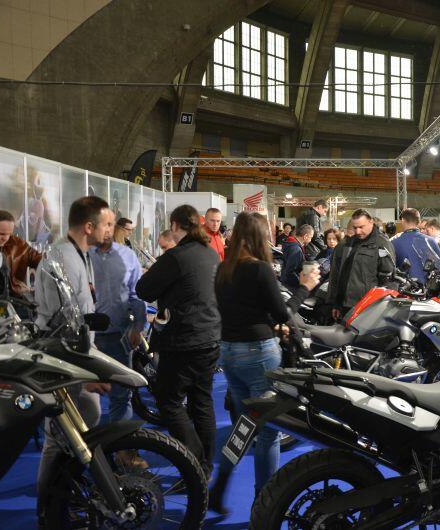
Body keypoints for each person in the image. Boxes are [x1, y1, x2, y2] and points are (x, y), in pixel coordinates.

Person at [208, 212, 319, 513]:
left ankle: (221, 485)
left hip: (230, 352)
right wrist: (305, 287)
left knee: (245, 423)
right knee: (269, 431)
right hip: (258, 353)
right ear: (260, 236)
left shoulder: (224, 268)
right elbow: (284, 313)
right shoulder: (259, 269)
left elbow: (246, 309)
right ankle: (266, 503)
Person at [35, 197, 114, 513]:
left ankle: (62, 499)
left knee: (78, 431)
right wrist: (83, 373)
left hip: (73, 360)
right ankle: (48, 511)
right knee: (58, 440)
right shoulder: (63, 258)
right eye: (107, 224)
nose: (110, 230)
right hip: (65, 364)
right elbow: (63, 325)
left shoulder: (77, 254)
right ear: (89, 226)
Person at [136, 204, 221, 477]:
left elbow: (143, 289)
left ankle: (195, 465)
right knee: (202, 401)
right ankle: (205, 465)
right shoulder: (210, 253)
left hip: (183, 340)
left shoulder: (176, 257)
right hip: (210, 337)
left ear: (174, 225)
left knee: (169, 401)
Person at [89, 212, 147, 446]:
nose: (106, 230)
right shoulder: (81, 255)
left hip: (118, 334)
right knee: (84, 399)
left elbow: (136, 293)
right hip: (84, 338)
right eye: (102, 225)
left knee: (122, 394)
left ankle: (122, 449)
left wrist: (138, 326)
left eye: (110, 225)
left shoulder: (127, 255)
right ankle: (85, 452)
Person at [328, 209, 395, 319]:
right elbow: (339, 274)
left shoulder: (382, 244)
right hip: (346, 306)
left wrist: (382, 307)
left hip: (369, 308)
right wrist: (336, 303)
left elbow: (389, 279)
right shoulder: (348, 243)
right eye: (355, 228)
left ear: (371, 222)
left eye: (361, 227)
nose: (358, 231)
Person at [0, 209, 42, 307]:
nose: (6, 238)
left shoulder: (18, 244)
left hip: (12, 301)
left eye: (9, 234)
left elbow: (41, 261)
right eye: (1, 234)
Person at [390, 208, 440, 285]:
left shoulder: (393, 243)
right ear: (419, 222)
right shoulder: (431, 241)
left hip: (405, 288)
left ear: (403, 220)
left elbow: (391, 271)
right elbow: (439, 269)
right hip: (429, 289)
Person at [280, 224, 314, 290]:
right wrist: (302, 284)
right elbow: (290, 272)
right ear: (305, 236)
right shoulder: (296, 249)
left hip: (285, 282)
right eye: (311, 237)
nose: (310, 240)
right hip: (291, 286)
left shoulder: (290, 244)